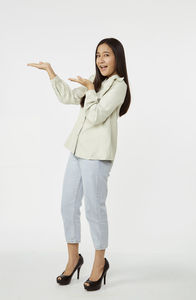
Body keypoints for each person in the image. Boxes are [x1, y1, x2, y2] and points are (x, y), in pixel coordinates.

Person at [27, 37, 131, 291]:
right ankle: (74, 259)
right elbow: (66, 97)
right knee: (67, 205)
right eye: (98, 55)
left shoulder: (118, 87)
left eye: (106, 54)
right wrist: (51, 72)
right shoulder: (94, 83)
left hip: (97, 156)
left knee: (94, 210)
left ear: (117, 57)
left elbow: (95, 115)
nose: (101, 60)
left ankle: (99, 264)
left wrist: (91, 89)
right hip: (76, 150)